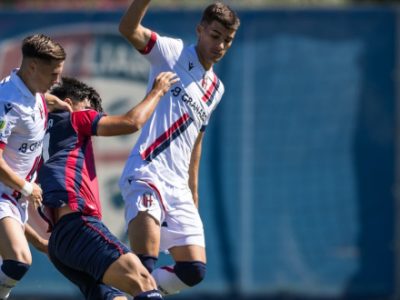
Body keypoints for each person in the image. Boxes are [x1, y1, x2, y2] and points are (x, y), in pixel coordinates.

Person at [118, 0, 240, 296]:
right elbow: (127, 28)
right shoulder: (172, 53)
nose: (220, 45)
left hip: (178, 187)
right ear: (199, 30)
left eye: (227, 40)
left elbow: (195, 144)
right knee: (145, 264)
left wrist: (193, 194)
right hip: (147, 171)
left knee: (193, 271)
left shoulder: (216, 88)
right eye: (214, 35)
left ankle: (113, 288)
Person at [38, 73, 178, 300]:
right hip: (79, 225)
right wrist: (158, 91)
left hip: (59, 243)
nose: (93, 117)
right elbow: (132, 122)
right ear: (70, 103)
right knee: (144, 281)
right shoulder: (74, 118)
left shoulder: (34, 134)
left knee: (113, 297)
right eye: (90, 110)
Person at [0, 33, 67, 299]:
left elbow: (38, 105)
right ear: (32, 67)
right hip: (6, 193)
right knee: (17, 260)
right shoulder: (6, 102)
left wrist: (61, 105)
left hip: (11, 198)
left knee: (15, 265)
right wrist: (27, 187)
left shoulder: (34, 92)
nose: (57, 81)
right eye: (53, 74)